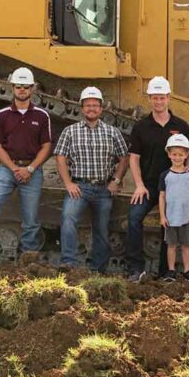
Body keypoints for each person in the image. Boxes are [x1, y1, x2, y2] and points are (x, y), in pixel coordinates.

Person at [0, 67, 52, 266]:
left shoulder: (41, 116)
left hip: (32, 170)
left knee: (30, 219)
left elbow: (46, 146)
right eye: (18, 86)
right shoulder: (2, 115)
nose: (22, 90)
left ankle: (29, 259)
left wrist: (30, 169)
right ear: (12, 87)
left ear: (33, 89)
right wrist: (14, 168)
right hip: (7, 170)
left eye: (26, 87)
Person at [120, 76, 189, 283]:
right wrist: (139, 185)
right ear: (149, 99)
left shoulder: (180, 125)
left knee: (169, 225)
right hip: (150, 186)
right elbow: (134, 158)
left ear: (168, 98)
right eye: (155, 98)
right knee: (134, 218)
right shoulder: (141, 126)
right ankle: (136, 268)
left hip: (173, 187)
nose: (158, 102)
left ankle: (165, 271)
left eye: (162, 98)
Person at [55, 86, 129, 272]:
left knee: (102, 228)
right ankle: (68, 262)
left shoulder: (112, 132)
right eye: (88, 105)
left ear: (101, 109)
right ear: (82, 108)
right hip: (80, 187)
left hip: (104, 189)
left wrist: (117, 179)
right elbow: (60, 157)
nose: (91, 109)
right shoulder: (70, 131)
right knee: (68, 218)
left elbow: (124, 157)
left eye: (95, 105)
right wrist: (68, 183)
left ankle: (99, 269)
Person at [158, 133, 189, 282]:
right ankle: (171, 271)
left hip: (187, 217)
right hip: (171, 217)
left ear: (186, 155)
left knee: (186, 245)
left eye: (180, 155)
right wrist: (162, 216)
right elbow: (162, 196)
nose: (177, 157)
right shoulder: (165, 175)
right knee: (171, 245)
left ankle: (187, 271)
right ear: (169, 154)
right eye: (174, 154)